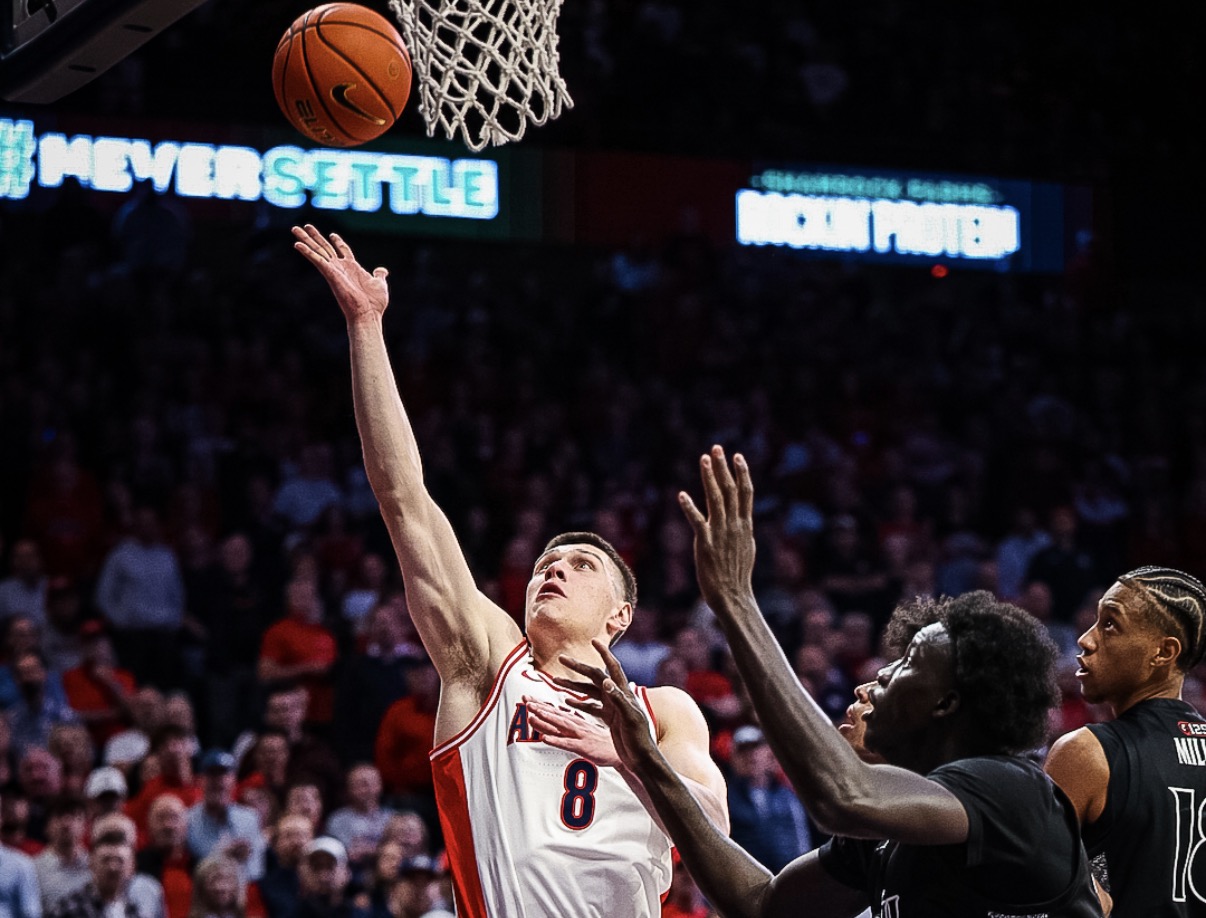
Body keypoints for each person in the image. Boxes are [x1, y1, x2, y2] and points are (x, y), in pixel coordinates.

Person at [291, 224, 727, 918]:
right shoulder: (489, 666)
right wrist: (366, 327)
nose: (552, 571)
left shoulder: (663, 710)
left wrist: (631, 755)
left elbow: (715, 831)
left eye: (580, 565)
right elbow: (404, 500)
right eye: (544, 564)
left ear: (619, 617)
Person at [551, 447, 1102, 917]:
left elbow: (841, 796)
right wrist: (646, 761)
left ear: (947, 703)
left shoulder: (1012, 791)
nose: (878, 675)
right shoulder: (895, 828)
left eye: (906, 661)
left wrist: (738, 604)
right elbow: (761, 906)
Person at [1044, 566, 1206, 916]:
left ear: (1163, 652)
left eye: (1110, 624)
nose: (1086, 640)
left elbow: (1035, 897)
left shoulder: (1086, 753)